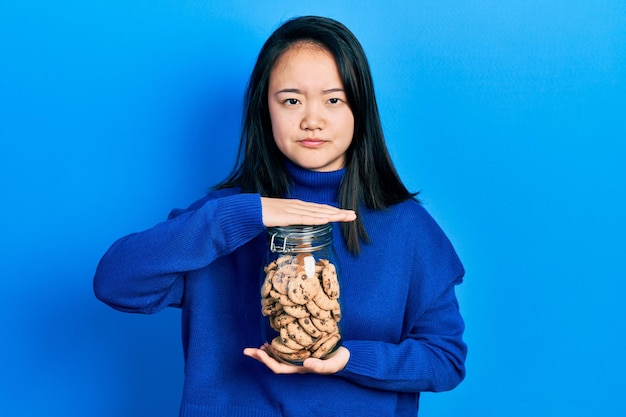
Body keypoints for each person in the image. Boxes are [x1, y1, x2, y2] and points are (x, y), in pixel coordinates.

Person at [94, 15, 467, 417]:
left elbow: (445, 360)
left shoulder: (406, 227)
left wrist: (348, 358)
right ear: (264, 108)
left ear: (359, 109)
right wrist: (247, 214)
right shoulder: (222, 220)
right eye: (291, 99)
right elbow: (115, 283)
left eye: (333, 99)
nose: (312, 119)